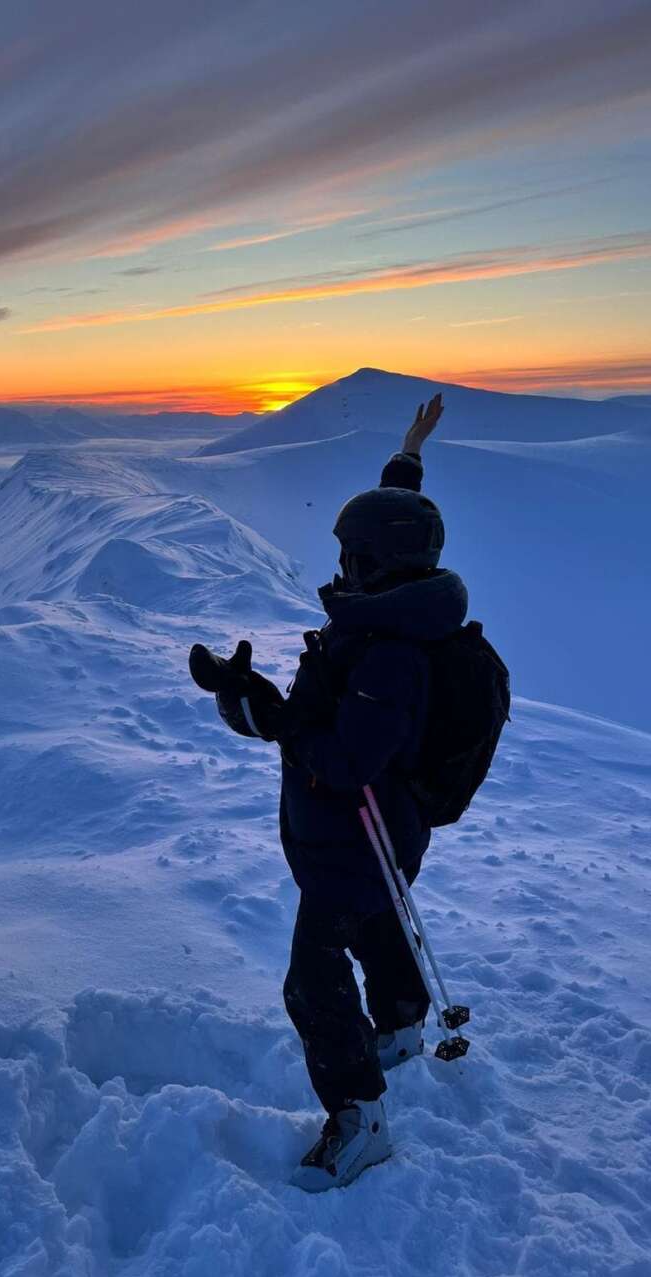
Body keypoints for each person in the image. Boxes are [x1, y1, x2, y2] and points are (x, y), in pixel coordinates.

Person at [191, 393, 468, 1191]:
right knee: (377, 927)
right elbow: (402, 518)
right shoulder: (397, 610)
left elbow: (344, 760)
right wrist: (408, 452)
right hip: (379, 838)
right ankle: (406, 1024)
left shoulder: (390, 653)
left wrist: (269, 716)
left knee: (312, 976)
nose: (340, 565)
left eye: (353, 556)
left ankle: (360, 1116)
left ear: (379, 566)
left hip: (357, 836)